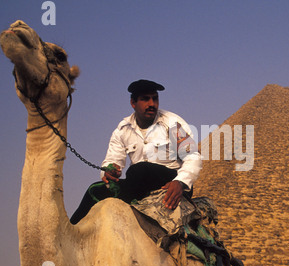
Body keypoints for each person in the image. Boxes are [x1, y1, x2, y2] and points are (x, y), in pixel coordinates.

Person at [70, 79, 202, 225]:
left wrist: (180, 182)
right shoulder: (122, 130)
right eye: (145, 99)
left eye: (155, 98)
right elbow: (112, 160)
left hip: (171, 183)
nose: (152, 104)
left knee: (139, 169)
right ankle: (68, 235)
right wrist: (109, 171)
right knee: (94, 190)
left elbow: (193, 156)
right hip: (138, 184)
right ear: (133, 103)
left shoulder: (173, 123)